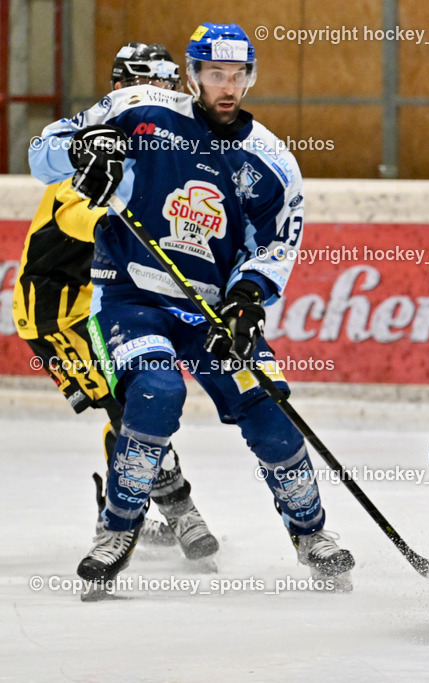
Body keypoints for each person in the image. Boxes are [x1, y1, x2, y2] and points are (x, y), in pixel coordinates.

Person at [29, 22, 352, 596]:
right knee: (156, 393)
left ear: (250, 78)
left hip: (212, 312)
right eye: (214, 74)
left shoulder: (269, 160)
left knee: (270, 413)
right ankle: (117, 529)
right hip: (131, 296)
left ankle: (311, 535)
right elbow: (43, 153)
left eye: (237, 75)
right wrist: (82, 148)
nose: (227, 86)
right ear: (192, 75)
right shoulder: (139, 110)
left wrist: (248, 299)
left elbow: (277, 244)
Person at [13, 42, 218, 561]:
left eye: (164, 86)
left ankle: (135, 509)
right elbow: (76, 215)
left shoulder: (163, 154)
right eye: (143, 86)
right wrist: (119, 217)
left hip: (107, 307)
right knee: (128, 408)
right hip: (59, 316)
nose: (156, 98)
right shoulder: (93, 147)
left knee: (139, 403)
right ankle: (171, 510)